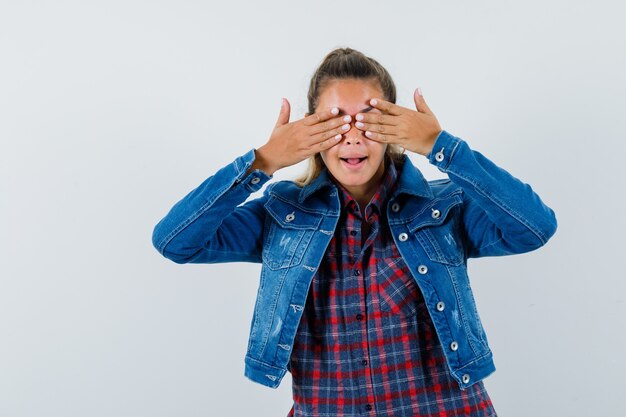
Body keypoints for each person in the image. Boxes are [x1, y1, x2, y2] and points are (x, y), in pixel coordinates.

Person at [151, 47, 557, 417]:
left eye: (370, 118)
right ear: (308, 130)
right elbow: (174, 241)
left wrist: (439, 145)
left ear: (396, 126)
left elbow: (534, 228)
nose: (353, 134)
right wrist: (263, 162)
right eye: (333, 121)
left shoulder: (442, 207)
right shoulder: (282, 215)